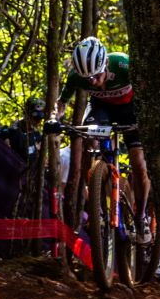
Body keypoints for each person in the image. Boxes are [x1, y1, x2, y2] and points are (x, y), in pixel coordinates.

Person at [57, 36, 151, 243]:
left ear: (106, 64)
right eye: (87, 78)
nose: (93, 82)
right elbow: (61, 104)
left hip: (131, 110)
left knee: (138, 164)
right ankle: (101, 182)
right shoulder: (76, 77)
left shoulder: (124, 64)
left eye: (97, 75)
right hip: (102, 109)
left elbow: (150, 89)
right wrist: (54, 120)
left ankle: (140, 216)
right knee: (90, 136)